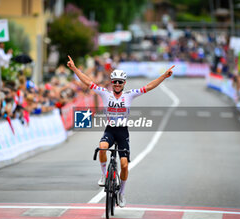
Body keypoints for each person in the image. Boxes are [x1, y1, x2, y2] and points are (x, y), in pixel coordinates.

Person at [67, 55, 174, 208]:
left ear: (124, 83)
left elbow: (149, 87)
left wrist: (164, 76)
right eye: (115, 82)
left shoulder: (129, 95)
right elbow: (87, 81)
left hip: (123, 132)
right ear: (112, 82)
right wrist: (74, 69)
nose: (117, 84)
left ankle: (122, 193)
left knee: (124, 165)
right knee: (102, 147)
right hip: (110, 130)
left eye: (120, 82)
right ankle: (105, 176)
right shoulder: (105, 93)